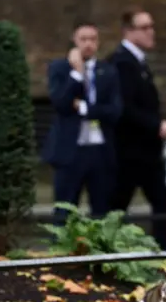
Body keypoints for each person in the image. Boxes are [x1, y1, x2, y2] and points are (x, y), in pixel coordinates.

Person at [106, 7, 166, 250]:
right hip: (129, 152)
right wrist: (157, 125)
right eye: (145, 28)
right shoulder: (122, 62)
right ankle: (107, 254)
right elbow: (124, 107)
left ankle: (164, 253)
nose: (151, 32)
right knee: (117, 207)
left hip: (145, 152)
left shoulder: (138, 62)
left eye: (151, 27)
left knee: (163, 204)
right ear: (129, 31)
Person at [41, 21, 123, 226]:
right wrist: (77, 73)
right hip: (71, 150)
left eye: (93, 39)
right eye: (83, 39)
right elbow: (60, 103)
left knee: (102, 209)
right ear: (74, 41)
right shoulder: (60, 68)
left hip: (99, 151)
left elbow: (115, 111)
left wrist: (84, 108)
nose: (88, 44)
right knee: (65, 209)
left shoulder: (108, 71)